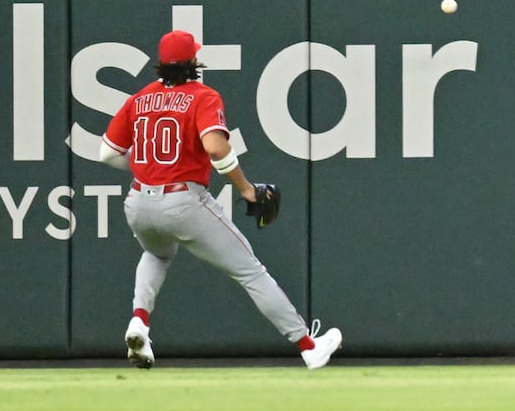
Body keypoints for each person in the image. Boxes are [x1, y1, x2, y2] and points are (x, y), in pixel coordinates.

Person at [100, 28, 342, 372]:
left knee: (156, 253)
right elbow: (216, 147)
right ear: (193, 62)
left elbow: (106, 153)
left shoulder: (139, 98)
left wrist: (146, 168)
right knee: (251, 272)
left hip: (139, 202)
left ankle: (139, 322)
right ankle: (308, 346)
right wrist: (245, 188)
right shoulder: (202, 96)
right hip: (183, 200)